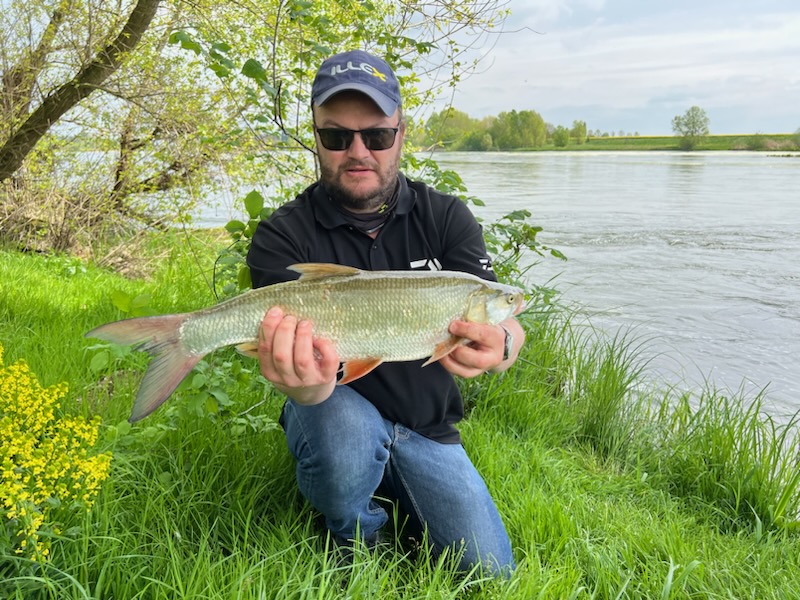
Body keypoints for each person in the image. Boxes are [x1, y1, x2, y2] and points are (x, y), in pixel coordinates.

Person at [246, 49, 524, 576]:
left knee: (490, 572)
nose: (358, 151)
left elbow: (508, 326)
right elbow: (302, 384)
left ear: (400, 133)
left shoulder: (446, 217)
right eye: (336, 137)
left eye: (376, 135)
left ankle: (397, 483)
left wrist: (502, 345)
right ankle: (352, 530)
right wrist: (303, 385)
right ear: (315, 136)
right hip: (332, 410)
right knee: (342, 431)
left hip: (427, 427)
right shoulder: (282, 235)